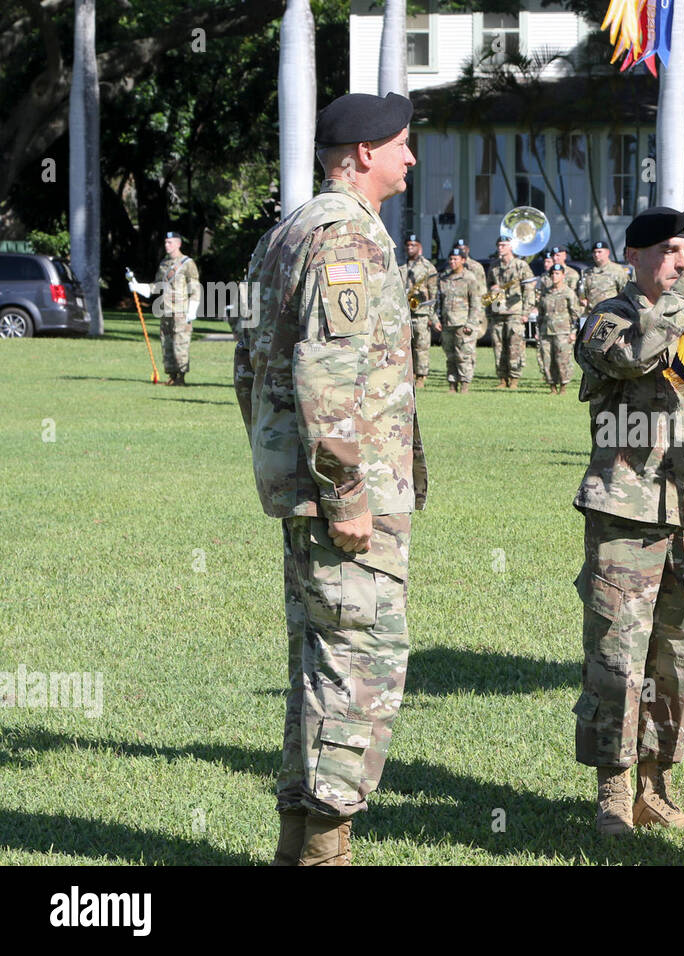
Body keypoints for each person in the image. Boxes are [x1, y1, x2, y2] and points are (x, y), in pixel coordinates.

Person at [234, 91, 427, 866]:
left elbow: (250, 368)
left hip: (310, 489)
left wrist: (287, 470)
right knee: (359, 667)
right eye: (401, 144)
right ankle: (324, 853)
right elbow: (325, 374)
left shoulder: (293, 229)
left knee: (321, 665)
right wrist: (345, 495)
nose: (410, 157)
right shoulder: (345, 237)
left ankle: (298, 848)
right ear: (360, 156)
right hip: (346, 500)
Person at [572, 206, 684, 835]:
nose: (683, 260)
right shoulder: (609, 314)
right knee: (618, 654)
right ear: (636, 256)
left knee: (677, 655)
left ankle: (657, 783)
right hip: (626, 509)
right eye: (671, 251)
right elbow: (634, 354)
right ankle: (614, 788)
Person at [129, 231, 200, 386]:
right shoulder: (164, 264)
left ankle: (181, 377)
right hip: (165, 310)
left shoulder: (187, 263)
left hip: (181, 311)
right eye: (166, 242)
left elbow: (195, 288)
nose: (167, 245)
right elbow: (156, 286)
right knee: (166, 345)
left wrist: (192, 309)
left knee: (180, 345)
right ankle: (172, 375)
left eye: (170, 242)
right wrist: (137, 286)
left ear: (178, 244)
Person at [486, 235, 535, 389]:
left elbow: (529, 290)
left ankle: (514, 378)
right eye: (499, 245)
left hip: (515, 312)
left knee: (515, 346)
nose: (501, 248)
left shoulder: (521, 266)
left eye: (504, 245)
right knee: (498, 346)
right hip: (498, 311)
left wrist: (526, 312)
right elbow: (488, 287)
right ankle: (502, 378)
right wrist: (491, 294)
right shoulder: (494, 266)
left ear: (511, 247)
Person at [437, 247, 483, 392]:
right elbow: (438, 301)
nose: (452, 262)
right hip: (447, 322)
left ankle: (464, 384)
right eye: (450, 259)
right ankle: (452, 384)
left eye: (456, 259)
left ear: (463, 260)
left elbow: (476, 303)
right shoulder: (444, 278)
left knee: (463, 355)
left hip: (463, 324)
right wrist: (436, 319)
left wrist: (471, 323)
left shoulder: (469, 278)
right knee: (450, 356)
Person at [536, 262, 580, 395]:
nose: (554, 277)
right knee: (547, 360)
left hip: (563, 332)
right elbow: (541, 314)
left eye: (557, 274)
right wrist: (538, 331)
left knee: (562, 360)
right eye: (552, 274)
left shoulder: (568, 293)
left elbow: (575, 315)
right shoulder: (546, 293)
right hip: (546, 331)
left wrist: (573, 332)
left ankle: (563, 386)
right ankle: (552, 386)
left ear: (562, 275)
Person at [403, 234, 438, 387]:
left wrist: (432, 315)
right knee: (406, 345)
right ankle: (410, 373)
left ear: (420, 247)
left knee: (421, 345)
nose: (410, 248)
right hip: (405, 312)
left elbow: (434, 293)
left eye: (413, 245)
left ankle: (421, 376)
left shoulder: (428, 267)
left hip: (421, 312)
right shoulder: (401, 266)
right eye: (408, 245)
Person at [578, 240, 628, 316]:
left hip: (610, 314)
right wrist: (582, 299)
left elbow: (625, 294)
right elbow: (583, 292)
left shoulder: (617, 270)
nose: (596, 255)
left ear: (608, 252)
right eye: (594, 252)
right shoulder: (588, 272)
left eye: (599, 252)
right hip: (592, 314)